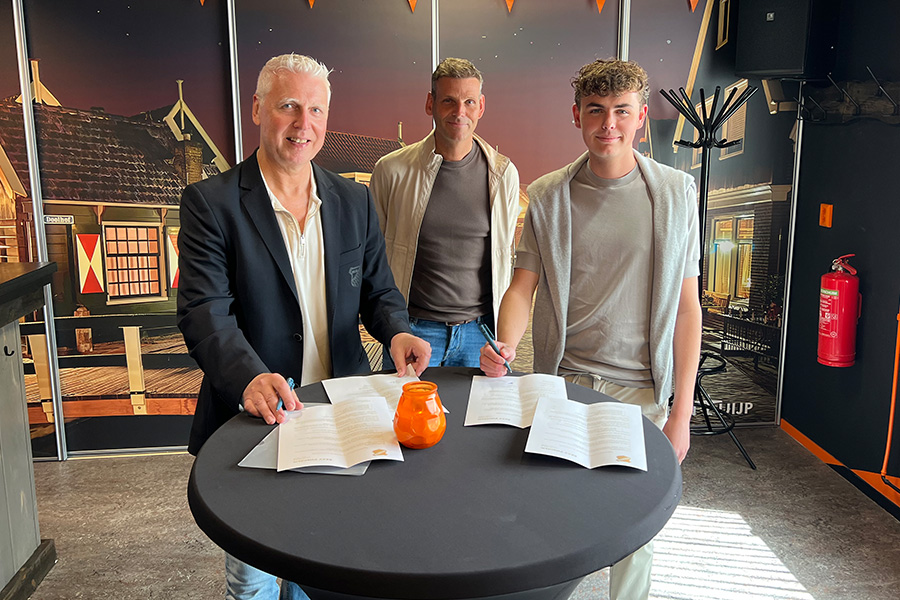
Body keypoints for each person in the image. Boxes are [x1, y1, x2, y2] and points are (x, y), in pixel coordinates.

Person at [177, 53, 431, 600]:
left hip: (344, 417)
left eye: (316, 109)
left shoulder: (355, 200)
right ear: (256, 109)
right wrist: (247, 376)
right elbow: (204, 311)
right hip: (256, 418)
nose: (303, 123)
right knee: (253, 580)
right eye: (288, 106)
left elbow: (379, 292)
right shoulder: (211, 203)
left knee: (326, 564)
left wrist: (397, 331)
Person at [480, 58, 701, 600]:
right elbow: (522, 287)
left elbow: (686, 308)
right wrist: (505, 344)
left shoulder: (676, 193)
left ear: (641, 116)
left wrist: (681, 413)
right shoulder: (548, 195)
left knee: (635, 531)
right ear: (576, 115)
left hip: (641, 391)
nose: (609, 124)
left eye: (622, 111)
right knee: (556, 520)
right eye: (596, 110)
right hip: (567, 384)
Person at [371, 57, 520, 368]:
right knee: (403, 403)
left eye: (469, 102)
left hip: (481, 334)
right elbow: (373, 260)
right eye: (449, 101)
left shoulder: (503, 174)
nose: (459, 112)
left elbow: (506, 257)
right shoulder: (391, 171)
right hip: (413, 331)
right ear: (431, 103)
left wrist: (503, 338)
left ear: (481, 106)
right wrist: (394, 327)